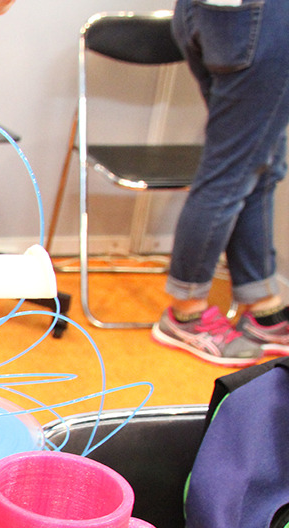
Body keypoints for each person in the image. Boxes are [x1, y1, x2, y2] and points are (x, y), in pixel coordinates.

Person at [150, 0, 289, 367]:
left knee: (259, 162)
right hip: (262, 20)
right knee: (231, 173)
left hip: (218, 15)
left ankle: (265, 309)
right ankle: (186, 314)